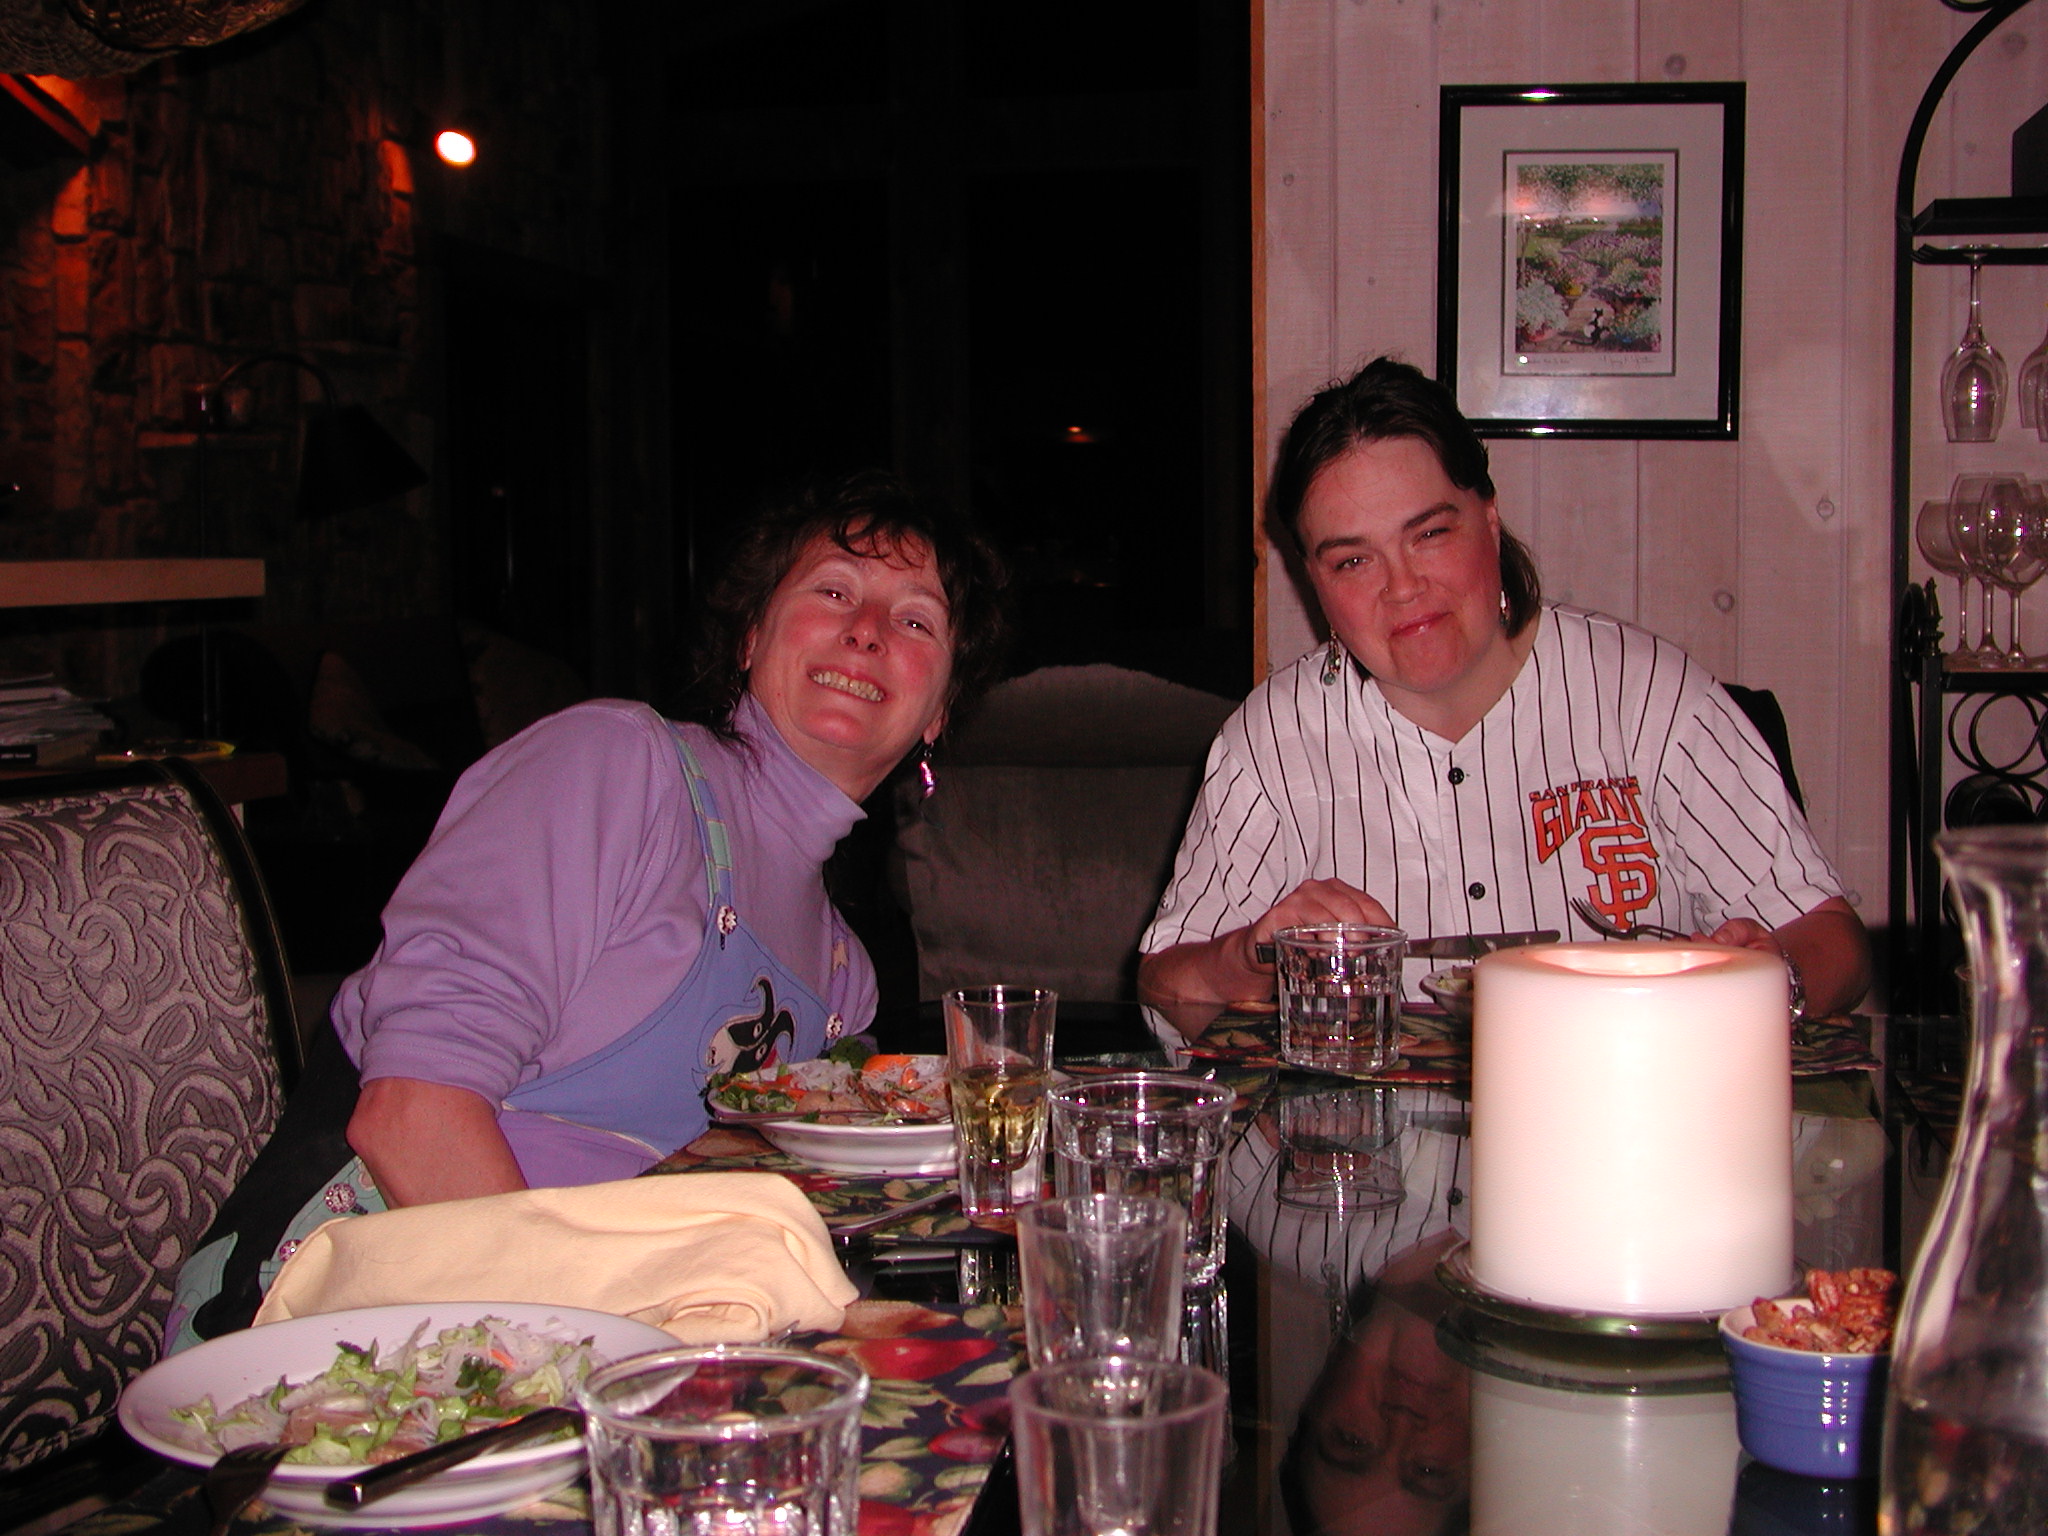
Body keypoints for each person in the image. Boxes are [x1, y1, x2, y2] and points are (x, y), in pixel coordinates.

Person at [170, 470, 1006, 1343]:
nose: (866, 630)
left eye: (916, 620)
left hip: (623, 1323)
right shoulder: (617, 767)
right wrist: (581, 1353)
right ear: (750, 637)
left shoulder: (843, 978)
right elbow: (411, 1116)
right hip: (344, 1324)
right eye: (833, 591)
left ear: (939, 711)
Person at [1138, 357, 1870, 1020]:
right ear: (1314, 584)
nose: (1402, 587)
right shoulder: (1269, 742)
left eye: (1430, 534)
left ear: (1488, 519)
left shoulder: (1653, 699)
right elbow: (1164, 982)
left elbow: (1834, 938)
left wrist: (1775, 978)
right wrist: (1252, 955)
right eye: (1353, 561)